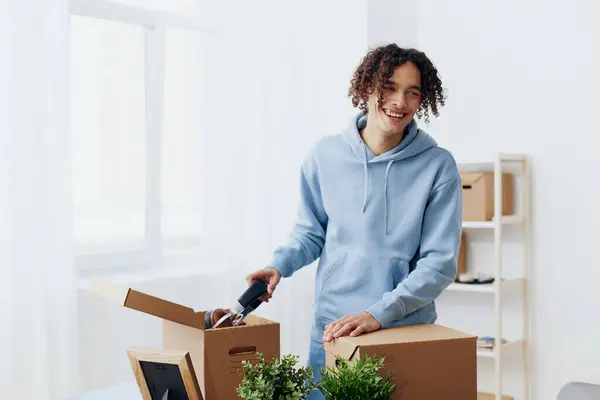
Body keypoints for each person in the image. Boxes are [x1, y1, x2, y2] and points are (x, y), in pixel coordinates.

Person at [246, 43, 462, 399]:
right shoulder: (325, 155)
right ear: (367, 88)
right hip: (335, 326)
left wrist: (379, 313)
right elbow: (310, 232)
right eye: (389, 87)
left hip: (403, 329)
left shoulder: (438, 166)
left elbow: (438, 264)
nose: (400, 102)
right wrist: (279, 265)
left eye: (412, 92)